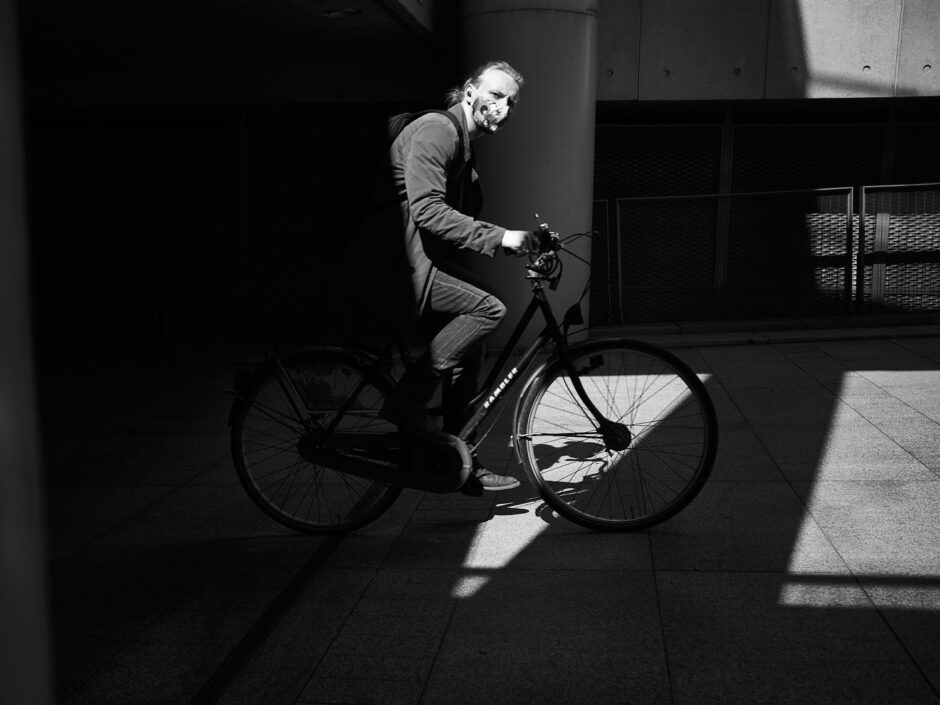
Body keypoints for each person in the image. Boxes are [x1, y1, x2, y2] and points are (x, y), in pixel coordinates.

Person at [357, 60, 534, 493]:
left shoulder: (463, 149)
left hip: (415, 261)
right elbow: (428, 210)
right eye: (496, 94)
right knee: (488, 307)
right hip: (394, 264)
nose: (504, 107)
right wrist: (502, 236)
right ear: (470, 91)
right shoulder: (439, 130)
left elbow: (453, 220)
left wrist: (515, 243)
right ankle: (407, 403)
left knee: (470, 347)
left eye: (510, 101)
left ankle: (459, 460)